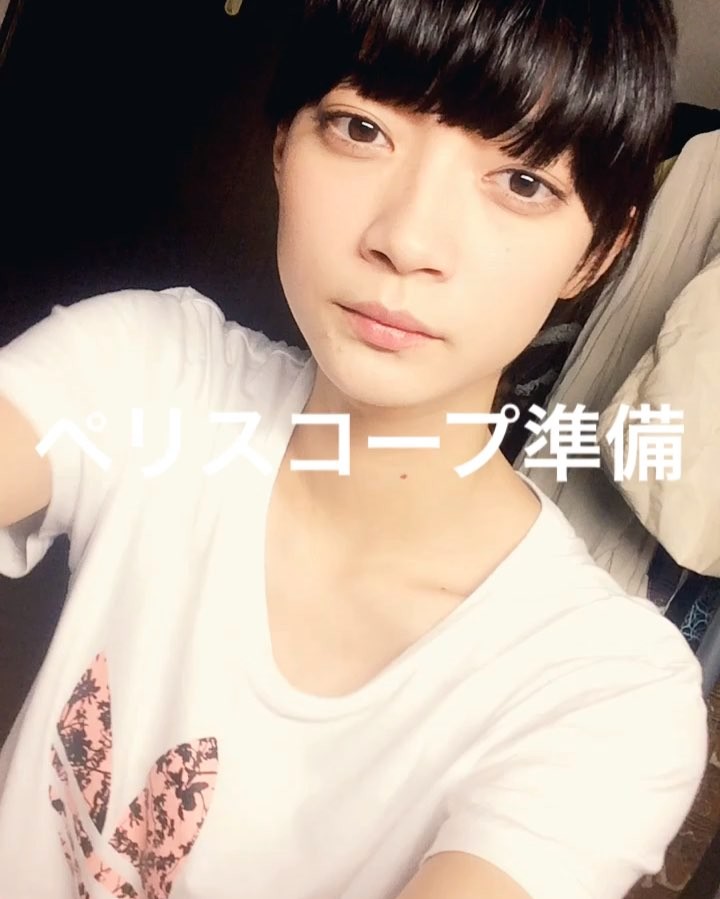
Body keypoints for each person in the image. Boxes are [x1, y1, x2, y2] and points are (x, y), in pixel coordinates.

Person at [0, 0, 708, 897]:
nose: (406, 240)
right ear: (281, 147)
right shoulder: (152, 375)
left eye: (522, 181)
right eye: (361, 128)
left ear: (597, 252)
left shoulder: (605, 690)